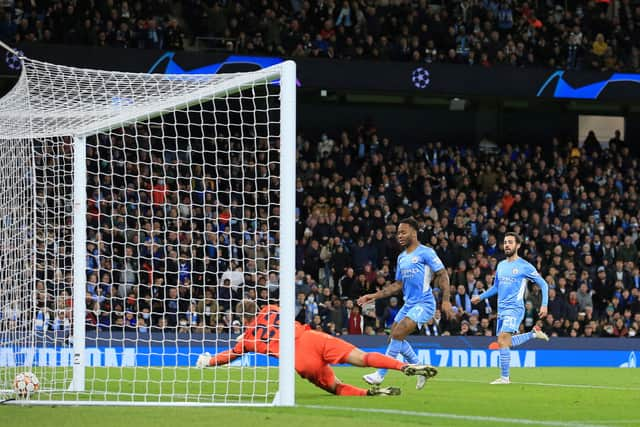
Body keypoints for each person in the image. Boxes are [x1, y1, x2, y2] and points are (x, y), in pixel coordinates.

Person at [195, 300, 437, 397]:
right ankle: (403, 365)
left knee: (334, 387)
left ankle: (370, 393)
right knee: (363, 357)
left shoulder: (247, 339)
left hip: (299, 357)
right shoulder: (271, 308)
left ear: (240, 318)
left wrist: (209, 361)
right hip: (313, 337)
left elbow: (231, 355)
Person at [357, 217, 452, 389]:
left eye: (403, 232)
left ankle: (380, 375)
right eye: (398, 233)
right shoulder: (401, 258)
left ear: (414, 233)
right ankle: (420, 368)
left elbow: (443, 274)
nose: (399, 236)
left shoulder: (426, 253)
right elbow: (398, 285)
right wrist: (374, 295)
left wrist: (445, 300)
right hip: (408, 304)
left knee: (398, 333)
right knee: (393, 338)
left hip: (424, 303)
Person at [471, 232, 550, 384]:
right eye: (505, 242)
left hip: (515, 308)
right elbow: (496, 287)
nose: (507, 245)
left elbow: (543, 284)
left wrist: (544, 304)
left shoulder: (524, 266)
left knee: (502, 340)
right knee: (505, 342)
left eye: (510, 242)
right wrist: (480, 297)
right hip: (502, 310)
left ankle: (505, 378)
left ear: (518, 245)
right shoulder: (501, 265)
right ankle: (533, 334)